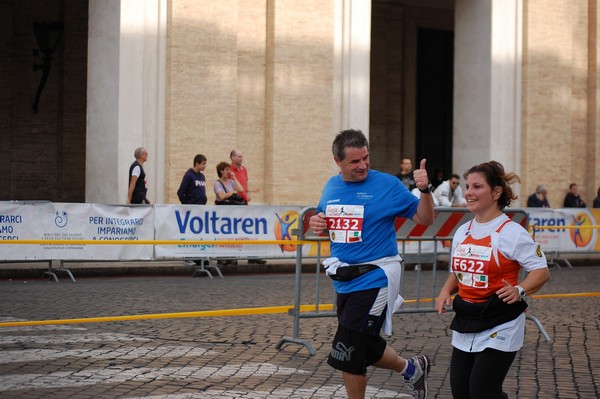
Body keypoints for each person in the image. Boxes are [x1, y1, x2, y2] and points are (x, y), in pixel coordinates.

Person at [309, 129, 434, 399]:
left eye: (366, 158)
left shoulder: (387, 185)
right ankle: (412, 369)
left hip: (376, 276)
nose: (363, 165)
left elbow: (425, 219)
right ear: (337, 161)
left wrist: (424, 190)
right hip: (344, 278)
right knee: (365, 344)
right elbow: (322, 218)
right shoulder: (331, 186)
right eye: (354, 161)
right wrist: (316, 223)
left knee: (347, 347)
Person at [435, 160, 550, 399]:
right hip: (466, 318)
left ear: (496, 192)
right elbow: (458, 271)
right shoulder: (462, 231)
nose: (468, 192)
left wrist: (520, 289)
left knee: (482, 391)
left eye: (477, 187)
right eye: (468, 186)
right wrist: (446, 291)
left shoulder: (512, 233)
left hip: (501, 320)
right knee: (461, 392)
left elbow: (541, 271)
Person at [230, 149, 267, 264]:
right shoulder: (230, 170)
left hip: (245, 203)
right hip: (235, 203)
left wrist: (249, 193)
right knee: (234, 232)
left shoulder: (244, 169)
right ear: (232, 157)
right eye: (239, 156)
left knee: (249, 230)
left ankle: (252, 256)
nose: (241, 158)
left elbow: (247, 182)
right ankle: (233, 257)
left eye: (242, 156)